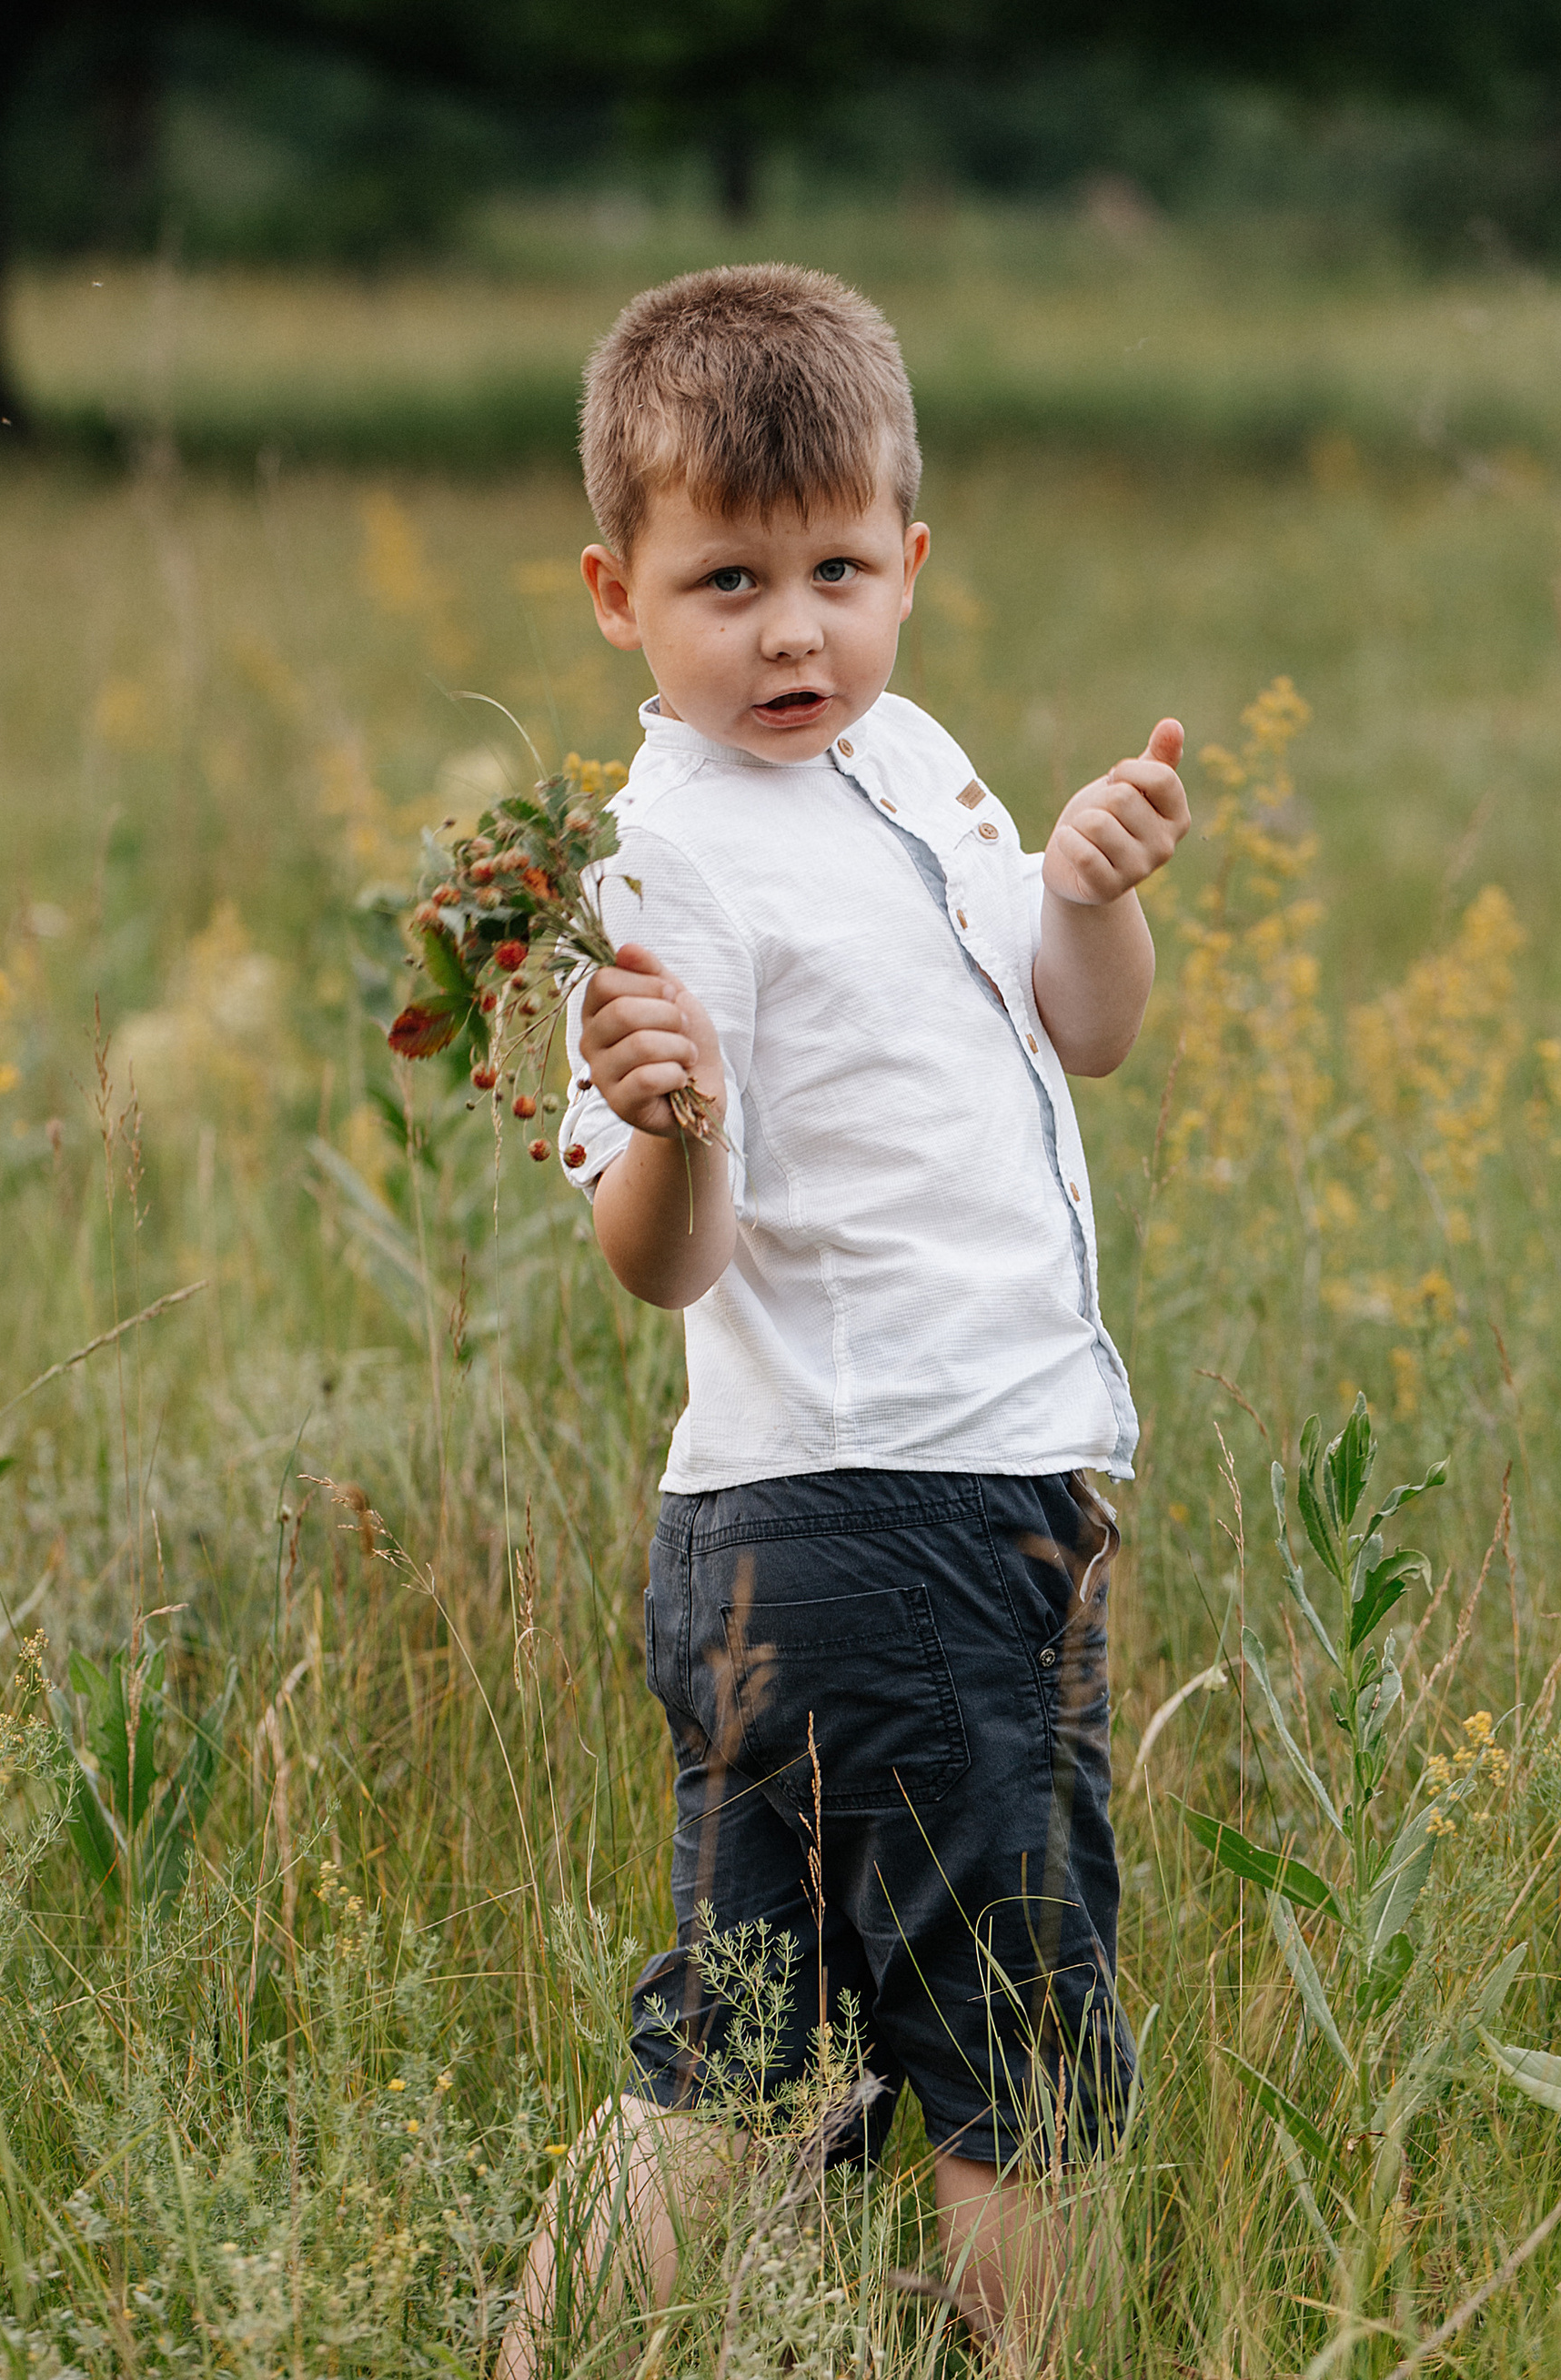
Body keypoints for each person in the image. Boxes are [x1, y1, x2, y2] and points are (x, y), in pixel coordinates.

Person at [499, 263, 1188, 2374]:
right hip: (881, 1513)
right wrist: (679, 1125)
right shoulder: (666, 868)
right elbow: (654, 1256)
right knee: (1018, 2056)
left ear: (911, 554)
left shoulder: (909, 759)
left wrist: (1087, 893)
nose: (790, 629)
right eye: (725, 581)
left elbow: (1083, 1038)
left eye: (833, 568)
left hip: (880, 1518)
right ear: (618, 593)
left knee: (734, 2045)